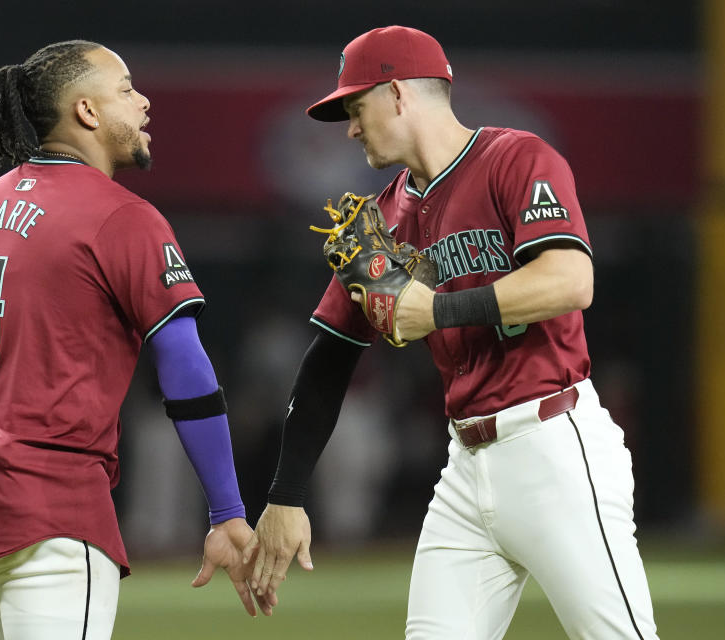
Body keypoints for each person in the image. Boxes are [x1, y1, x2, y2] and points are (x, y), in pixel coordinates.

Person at [244, 25, 659, 640]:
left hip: (553, 447)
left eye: (356, 109)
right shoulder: (380, 221)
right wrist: (286, 495)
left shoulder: (517, 158)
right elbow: (328, 358)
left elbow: (571, 280)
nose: (350, 129)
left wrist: (435, 310)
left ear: (398, 95)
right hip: (465, 466)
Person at [0, 40, 273, 640]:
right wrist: (228, 510)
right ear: (87, 111)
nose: (145, 102)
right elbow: (186, 368)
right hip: (50, 508)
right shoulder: (121, 216)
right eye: (126, 89)